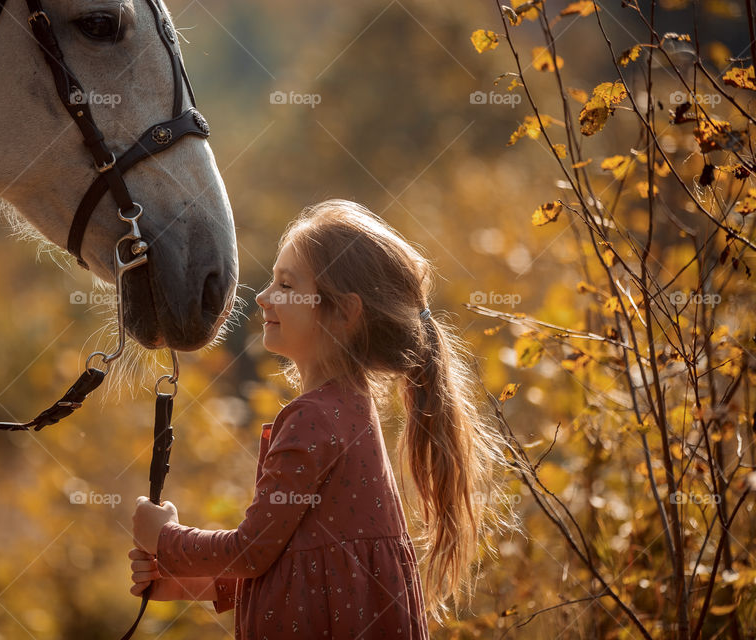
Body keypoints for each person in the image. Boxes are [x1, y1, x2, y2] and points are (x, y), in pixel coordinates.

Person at [129, 199, 514, 638]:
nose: (262, 296)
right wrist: (184, 581)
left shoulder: (313, 419)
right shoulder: (348, 407)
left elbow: (252, 550)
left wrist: (167, 539)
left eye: (287, 286)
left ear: (344, 313)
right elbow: (301, 560)